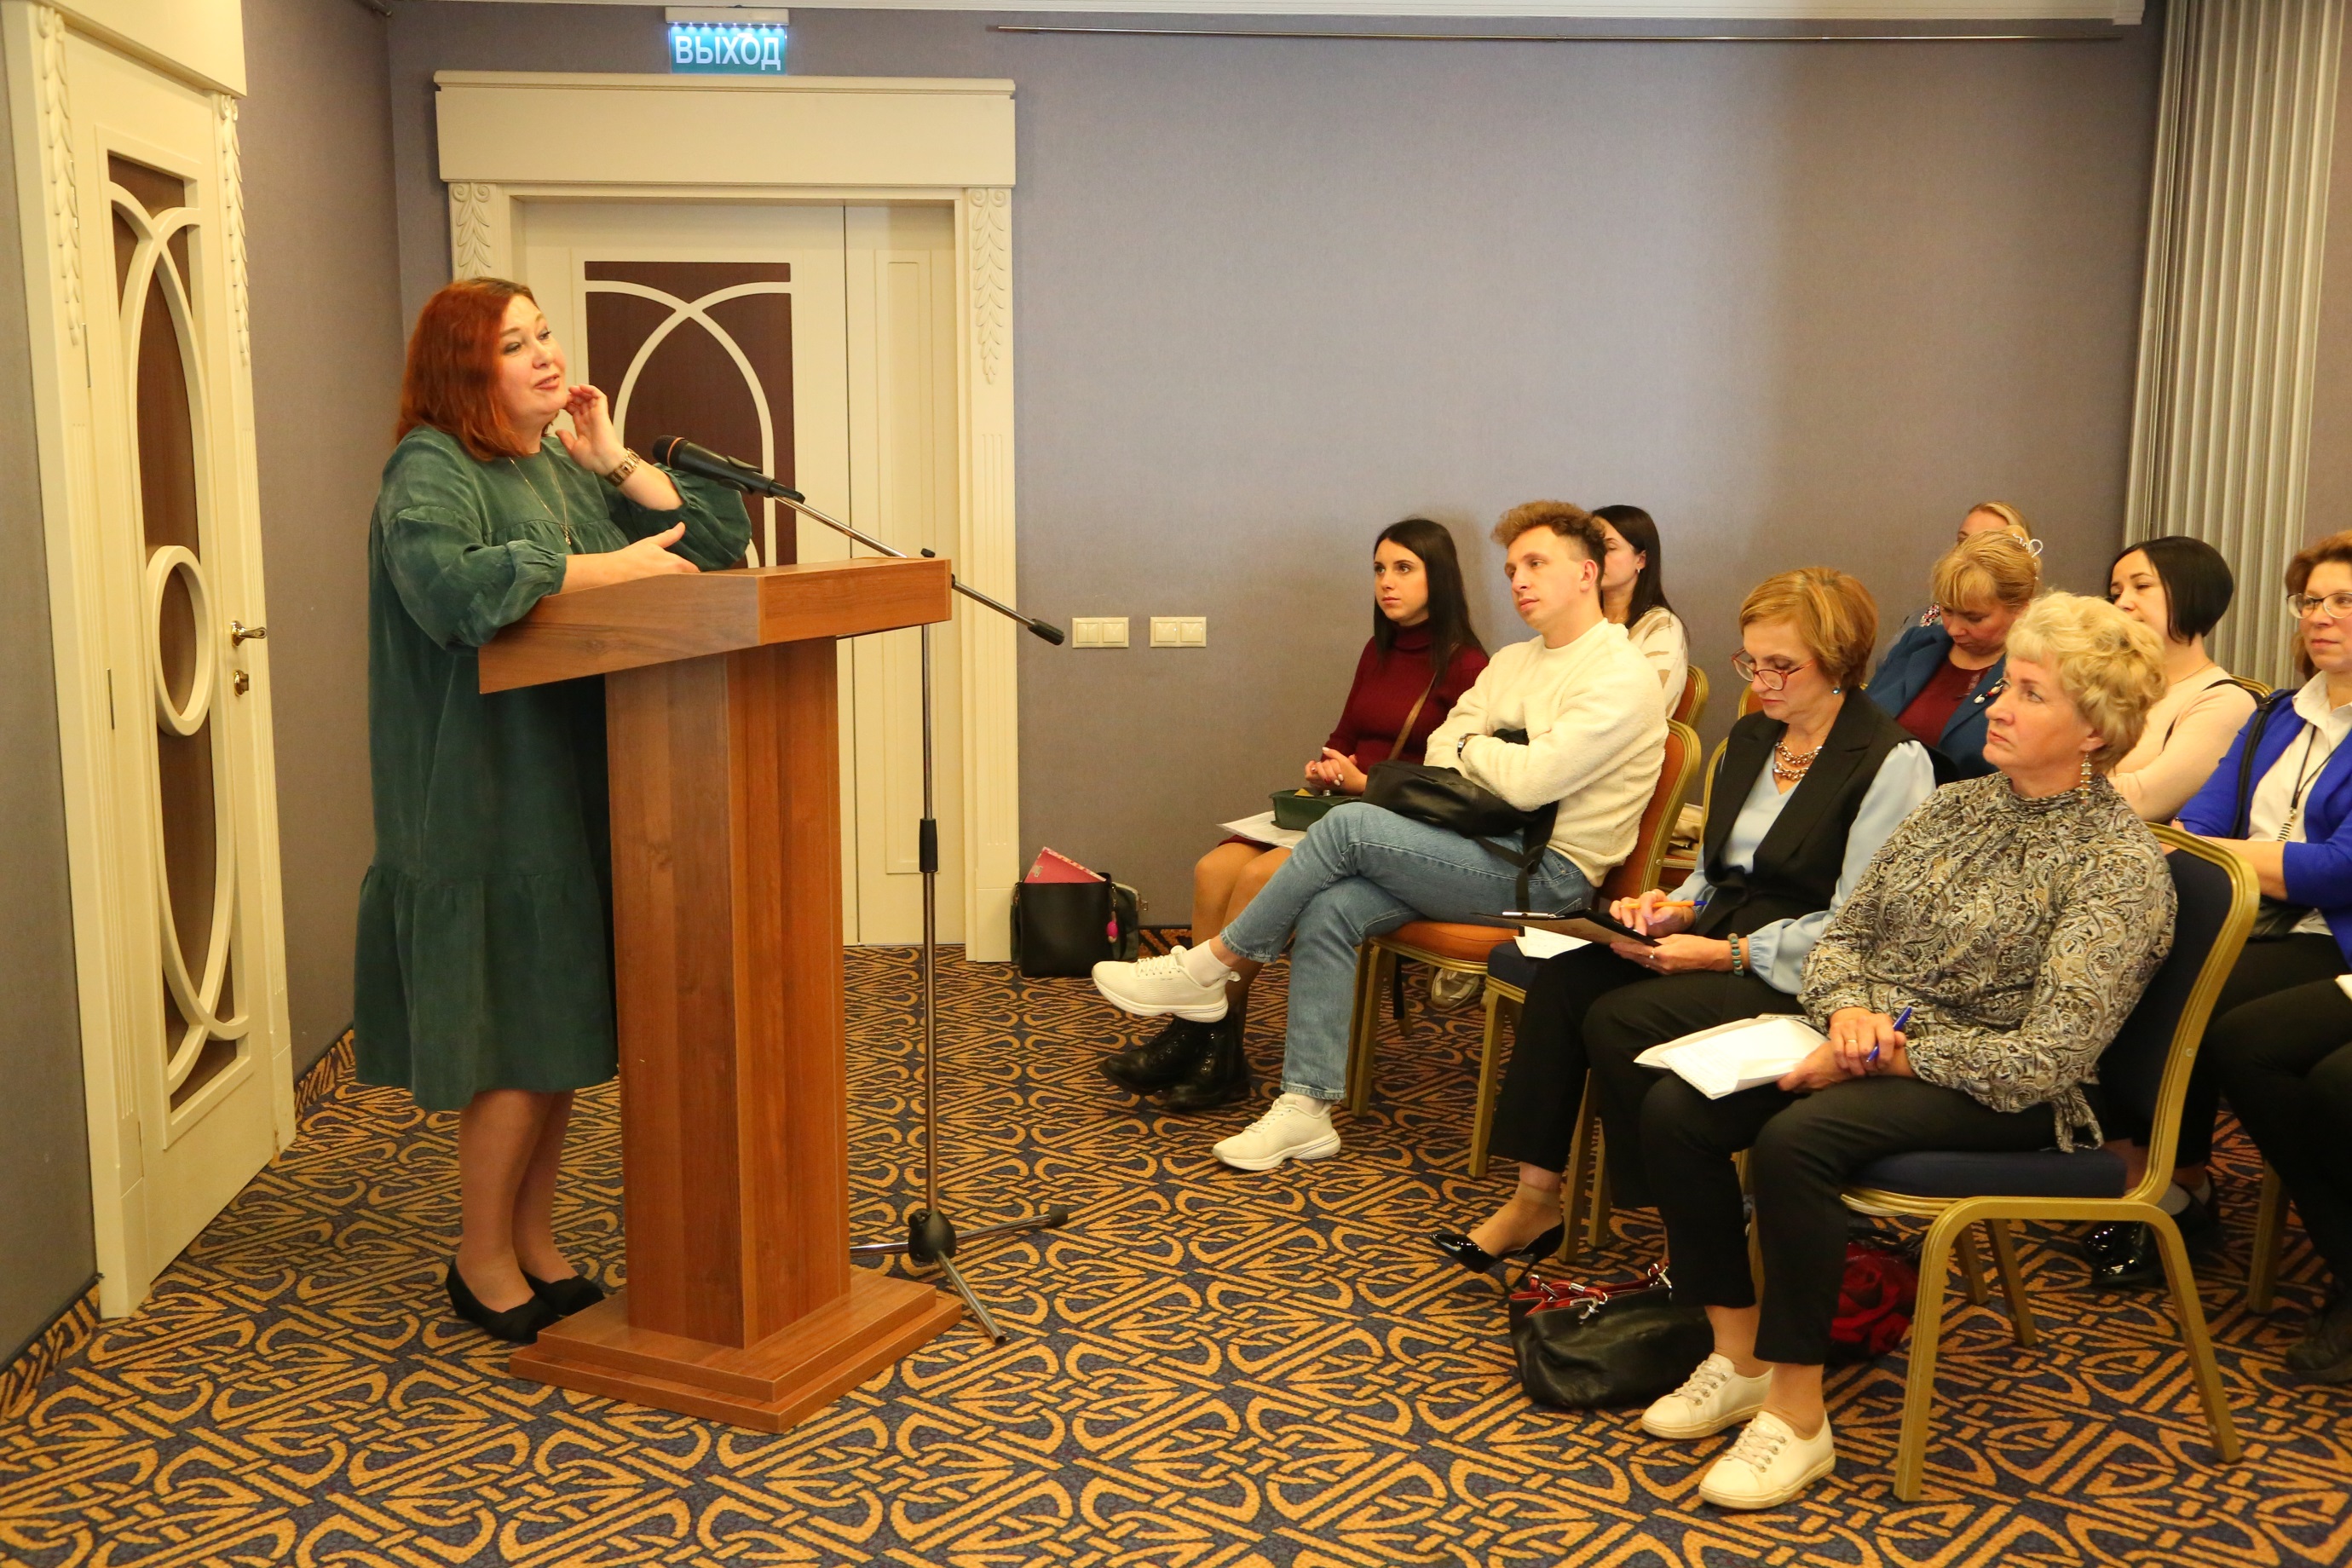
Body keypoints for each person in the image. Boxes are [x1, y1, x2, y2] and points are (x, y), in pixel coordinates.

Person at [1625, 593, 2171, 1509]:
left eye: (2029, 693)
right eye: (2005, 684)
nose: (1997, 704)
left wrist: (1880, 1054)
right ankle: (1739, 1354)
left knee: (1797, 1142)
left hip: (2010, 1091)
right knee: (1677, 1107)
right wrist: (1849, 1015)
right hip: (1876, 1041)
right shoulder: (1956, 808)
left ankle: (1799, 1413)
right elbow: (1845, 939)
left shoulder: (2116, 866)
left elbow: (2048, 1055)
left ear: (2094, 732)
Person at [353, 279, 752, 1344]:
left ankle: (533, 1237)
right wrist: (599, 570)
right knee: (514, 1044)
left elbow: (715, 547)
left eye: (544, 335)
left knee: (556, 1037)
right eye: (513, 344)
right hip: (481, 793)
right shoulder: (430, 464)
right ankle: (479, 1254)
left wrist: (612, 462)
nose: (545, 357)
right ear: (463, 371)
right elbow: (452, 590)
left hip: (571, 787)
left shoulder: (552, 465)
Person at [1088, 502, 1666, 1172]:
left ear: (1587, 573)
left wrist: (1483, 748)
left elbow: (1532, 784)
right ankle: (1306, 1109)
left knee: (1349, 824)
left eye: (1536, 564)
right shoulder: (1514, 660)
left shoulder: (1620, 674)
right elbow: (1445, 748)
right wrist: (1497, 749)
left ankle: (1211, 967)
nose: (1519, 580)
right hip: (1477, 847)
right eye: (1512, 568)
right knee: (1333, 907)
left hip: (1549, 879)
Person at [1430, 568, 1934, 1277]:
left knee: (1621, 1018)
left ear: (1839, 661)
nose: (1761, 682)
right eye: (1751, 661)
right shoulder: (1754, 738)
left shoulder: (1890, 761)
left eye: (1782, 665)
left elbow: (1860, 926)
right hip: (1715, 938)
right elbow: (1712, 870)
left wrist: (1724, 953)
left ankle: (1685, 1233)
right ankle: (1535, 1198)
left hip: (1806, 973)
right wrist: (1671, 909)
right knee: (1565, 982)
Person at [1109, 519, 1486, 1110]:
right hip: (1338, 807)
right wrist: (1326, 768)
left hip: (1395, 826)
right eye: (1379, 569)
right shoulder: (1378, 650)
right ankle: (1209, 1040)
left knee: (1258, 876)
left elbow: (1456, 781)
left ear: (1439, 577)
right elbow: (1345, 735)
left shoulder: (1467, 666)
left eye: (1403, 569)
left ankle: (1202, 1043)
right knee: (1214, 868)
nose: (1386, 583)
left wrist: (1367, 782)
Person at [2091, 530, 2352, 1292]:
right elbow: (2199, 824)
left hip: (2327, 934)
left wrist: (2234, 855)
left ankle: (2181, 1183)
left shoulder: (2241, 702)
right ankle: (2154, 1175)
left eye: (2344, 602)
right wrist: (2240, 856)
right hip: (2252, 915)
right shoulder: (2279, 713)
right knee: (2122, 966)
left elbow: (2338, 872)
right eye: (2311, 601)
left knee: (2197, 1000)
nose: (2321, 616)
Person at [1865, 530, 2042, 781]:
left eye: (1974, 618)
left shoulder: (2034, 673)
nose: (1954, 629)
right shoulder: (1916, 644)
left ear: (2020, 610)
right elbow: (1861, 724)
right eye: (1947, 610)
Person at [2104, 536, 2257, 822]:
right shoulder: (2109, 686)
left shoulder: (2223, 701)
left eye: (2142, 586)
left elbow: (2142, 800)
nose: (2122, 603)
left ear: (2192, 593)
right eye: (2116, 593)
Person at [1594, 504, 1690, 718]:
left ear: (1641, 559)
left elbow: (1648, 710)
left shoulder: (1661, 626)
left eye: (1609, 548)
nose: (1596, 557)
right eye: (1591, 547)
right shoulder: (1584, 621)